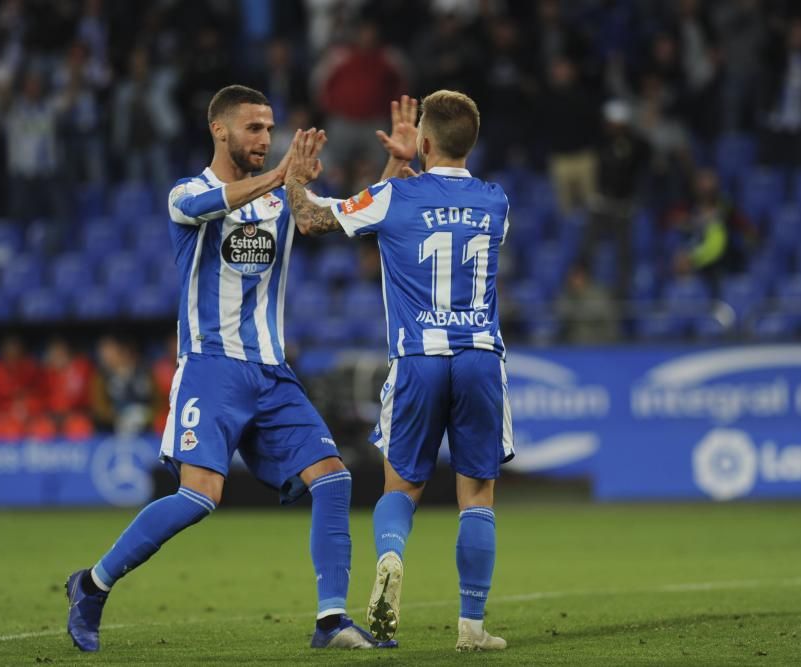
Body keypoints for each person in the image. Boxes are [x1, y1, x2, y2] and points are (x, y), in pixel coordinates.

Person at [64, 85, 393, 652]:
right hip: (211, 369)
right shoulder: (185, 193)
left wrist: (397, 167)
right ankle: (92, 586)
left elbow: (339, 217)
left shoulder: (280, 196)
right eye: (254, 128)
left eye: (271, 128)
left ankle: (331, 621)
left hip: (271, 370)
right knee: (199, 497)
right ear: (219, 129)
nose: (266, 138)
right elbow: (213, 205)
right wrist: (287, 174)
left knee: (334, 478)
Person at [285, 90, 513, 651]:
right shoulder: (495, 201)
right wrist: (415, 163)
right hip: (481, 357)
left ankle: (390, 554)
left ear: (425, 140)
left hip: (418, 358)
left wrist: (293, 175)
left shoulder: (394, 196)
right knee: (477, 494)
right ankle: (471, 627)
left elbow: (310, 218)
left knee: (402, 486)